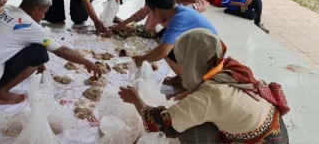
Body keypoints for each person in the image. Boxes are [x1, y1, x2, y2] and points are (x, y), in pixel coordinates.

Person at [118, 28, 289, 143]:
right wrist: (185, 96)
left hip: (261, 140)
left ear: (193, 62)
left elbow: (160, 124)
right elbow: (213, 92)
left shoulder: (212, 96)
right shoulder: (228, 65)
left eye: (184, 61)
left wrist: (136, 100)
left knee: (188, 128)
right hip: (278, 132)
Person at [0, 0, 102, 105]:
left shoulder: (6, 9)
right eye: (44, 12)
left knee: (31, 43)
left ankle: (30, 72)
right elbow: (62, 51)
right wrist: (86, 62)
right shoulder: (30, 26)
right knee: (40, 52)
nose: (43, 16)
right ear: (35, 9)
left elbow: (20, 39)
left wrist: (42, 69)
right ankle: (1, 93)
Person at [130, 0, 217, 84]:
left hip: (211, 63)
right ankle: (183, 76)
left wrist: (141, 60)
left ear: (157, 10)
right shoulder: (181, 10)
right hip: (208, 53)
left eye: (152, 12)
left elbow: (163, 51)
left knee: (167, 49)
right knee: (164, 35)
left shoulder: (179, 18)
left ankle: (188, 81)